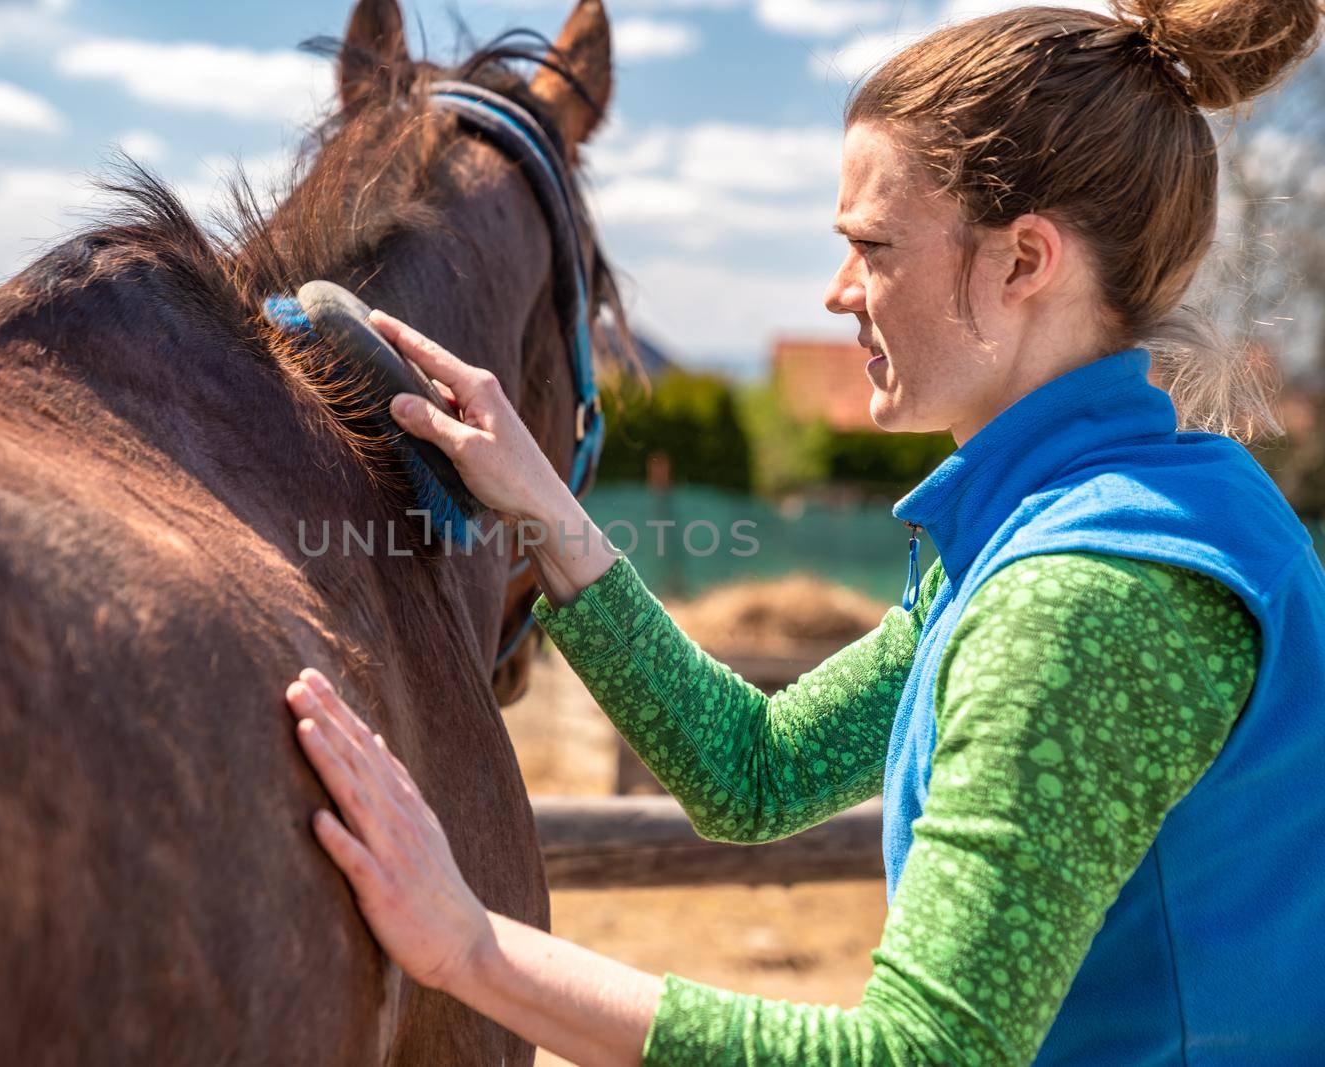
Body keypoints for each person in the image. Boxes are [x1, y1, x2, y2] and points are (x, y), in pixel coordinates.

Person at [283, 0, 1325, 1063]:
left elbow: (922, 1054)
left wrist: (472, 952)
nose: (837, 293)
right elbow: (758, 770)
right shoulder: (1113, 513)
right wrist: (547, 511)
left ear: (1023, 263)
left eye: (871, 245)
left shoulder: (1085, 597)